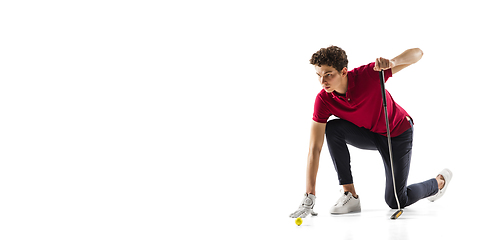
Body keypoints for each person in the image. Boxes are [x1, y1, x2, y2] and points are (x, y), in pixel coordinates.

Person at [289, 46, 452, 218]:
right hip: (370, 134)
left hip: (397, 134)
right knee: (333, 129)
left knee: (396, 200)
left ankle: (438, 183)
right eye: (319, 75)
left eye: (329, 74)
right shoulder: (323, 100)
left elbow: (418, 54)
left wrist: (392, 62)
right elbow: (314, 148)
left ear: (344, 72)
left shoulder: (369, 74)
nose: (323, 81)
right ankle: (350, 195)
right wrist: (310, 195)